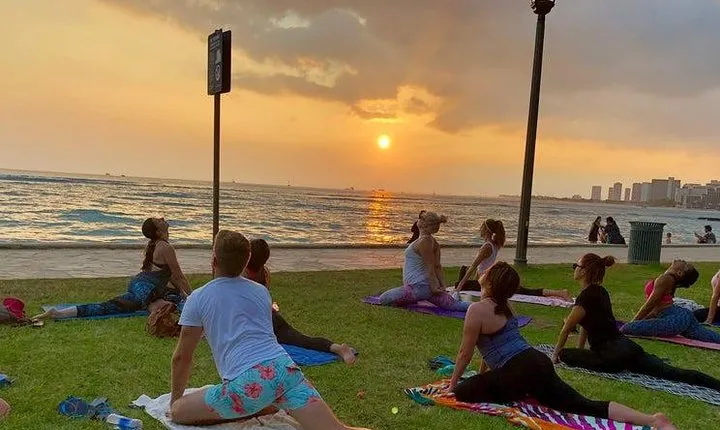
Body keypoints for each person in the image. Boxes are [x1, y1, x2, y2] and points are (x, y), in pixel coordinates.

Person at [169, 230, 371, 429]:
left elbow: (182, 357)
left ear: (214, 260)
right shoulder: (261, 292)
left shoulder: (198, 297)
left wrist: (174, 402)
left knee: (179, 411)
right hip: (285, 371)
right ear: (247, 261)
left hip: (247, 385)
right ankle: (263, 403)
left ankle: (256, 406)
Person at [448, 262, 676, 430]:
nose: (483, 272)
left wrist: (452, 385)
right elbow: (490, 352)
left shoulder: (476, 310)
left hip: (519, 370)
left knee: (462, 392)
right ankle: (652, 419)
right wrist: (485, 376)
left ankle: (514, 389)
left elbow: (464, 353)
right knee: (583, 405)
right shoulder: (507, 306)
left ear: (490, 281)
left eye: (487, 272)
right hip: (537, 361)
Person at [553, 254, 720, 392]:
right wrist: (581, 350)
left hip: (613, 355)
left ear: (584, 271)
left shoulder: (585, 297)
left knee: (565, 355)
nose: (574, 268)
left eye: (577, 265)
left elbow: (567, 328)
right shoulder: (601, 291)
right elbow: (585, 325)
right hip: (630, 348)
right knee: (674, 372)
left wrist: (555, 355)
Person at [32, 217, 191, 320]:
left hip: (137, 284)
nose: (163, 219)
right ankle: (157, 308)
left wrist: (183, 294)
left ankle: (59, 313)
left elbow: (170, 277)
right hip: (145, 289)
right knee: (166, 307)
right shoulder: (165, 248)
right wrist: (194, 297)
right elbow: (178, 276)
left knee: (107, 307)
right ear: (158, 231)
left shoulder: (155, 245)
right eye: (159, 220)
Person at [245, 238, 356, 364]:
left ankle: (339, 349)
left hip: (265, 322)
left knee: (301, 341)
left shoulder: (245, 276)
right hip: (272, 318)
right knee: (304, 340)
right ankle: (337, 348)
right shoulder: (263, 273)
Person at [454, 219, 569, 300]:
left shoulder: (487, 247)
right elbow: (480, 268)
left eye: (482, 227)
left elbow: (474, 267)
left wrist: (459, 287)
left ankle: (560, 292)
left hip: (488, 280)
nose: (480, 229)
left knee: (526, 291)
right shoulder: (494, 244)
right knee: (525, 291)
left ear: (486, 231)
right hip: (488, 279)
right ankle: (560, 292)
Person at [379, 211, 468, 311]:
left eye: (421, 218)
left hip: (419, 287)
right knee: (454, 305)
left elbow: (430, 266)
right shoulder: (431, 241)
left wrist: (435, 287)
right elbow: (437, 266)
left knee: (384, 299)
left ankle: (414, 298)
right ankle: (484, 308)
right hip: (425, 288)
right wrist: (443, 287)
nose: (418, 219)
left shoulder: (424, 241)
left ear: (424, 224)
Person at [620, 260, 720, 343]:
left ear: (679, 273)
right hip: (681, 315)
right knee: (710, 337)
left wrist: (634, 322)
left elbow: (650, 305)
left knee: (626, 329)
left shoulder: (665, 279)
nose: (683, 261)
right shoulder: (669, 280)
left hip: (676, 318)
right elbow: (656, 310)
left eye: (685, 265)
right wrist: (643, 320)